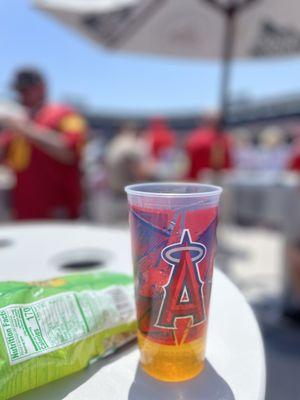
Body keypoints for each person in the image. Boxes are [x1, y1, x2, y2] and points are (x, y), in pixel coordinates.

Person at [0, 68, 87, 220]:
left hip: (57, 211)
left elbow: (69, 152)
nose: (22, 96)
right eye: (19, 91)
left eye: (26, 90)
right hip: (23, 210)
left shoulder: (66, 114)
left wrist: (24, 128)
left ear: (42, 88)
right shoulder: (18, 120)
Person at [185, 113, 233, 180]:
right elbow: (217, 165)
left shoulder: (193, 137)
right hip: (209, 181)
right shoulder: (220, 138)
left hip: (194, 180)